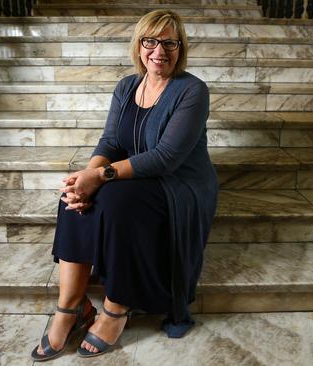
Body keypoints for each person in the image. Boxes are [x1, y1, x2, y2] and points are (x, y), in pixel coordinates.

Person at [31, 9, 218, 361]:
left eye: (169, 43)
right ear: (139, 45)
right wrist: (87, 176)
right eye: (151, 41)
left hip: (179, 185)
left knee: (115, 203)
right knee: (71, 198)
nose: (159, 50)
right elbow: (111, 142)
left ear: (180, 49)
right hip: (134, 175)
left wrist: (101, 176)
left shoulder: (192, 90)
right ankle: (70, 309)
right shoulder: (127, 86)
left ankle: (116, 309)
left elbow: (165, 158)